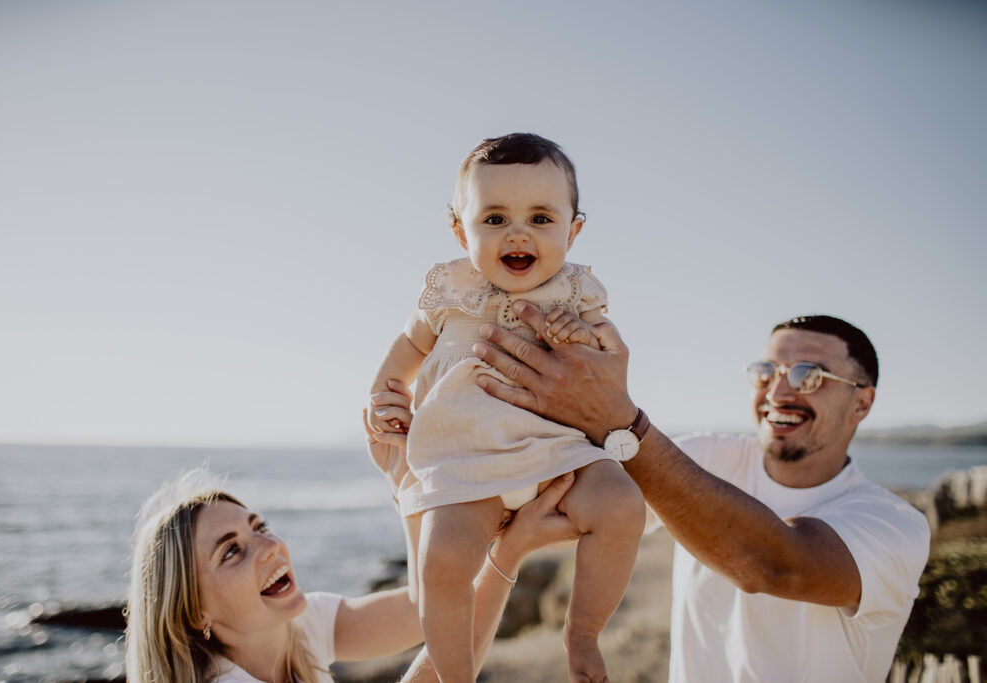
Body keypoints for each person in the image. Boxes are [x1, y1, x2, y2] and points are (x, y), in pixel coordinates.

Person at [472, 308, 931, 682]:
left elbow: (774, 565)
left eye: (809, 376)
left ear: (862, 403)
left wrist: (620, 421)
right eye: (765, 372)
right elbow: (567, 516)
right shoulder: (707, 458)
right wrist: (442, 449)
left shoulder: (895, 526)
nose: (778, 391)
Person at [367, 133, 645, 683]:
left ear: (574, 229)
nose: (518, 232)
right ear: (458, 229)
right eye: (493, 219)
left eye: (541, 218)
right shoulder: (450, 289)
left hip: (557, 456)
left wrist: (581, 336)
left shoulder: (575, 294)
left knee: (622, 505)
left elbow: (606, 367)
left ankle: (583, 632)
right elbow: (404, 351)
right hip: (466, 469)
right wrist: (383, 398)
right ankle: (453, 675)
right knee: (443, 562)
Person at [123, 421, 580, 683]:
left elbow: (424, 611)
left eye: (259, 527)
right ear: (193, 613)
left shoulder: (299, 627)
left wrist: (406, 487)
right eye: (231, 553)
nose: (269, 547)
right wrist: (508, 552)